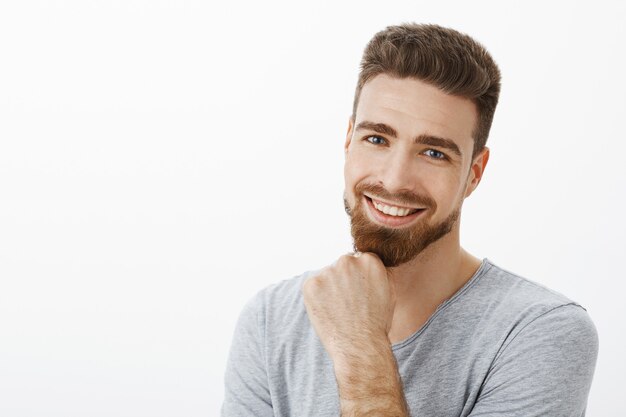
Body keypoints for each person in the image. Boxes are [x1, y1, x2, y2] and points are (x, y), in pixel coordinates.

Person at [221, 23, 598, 416]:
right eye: (377, 139)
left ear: (474, 173)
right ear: (348, 140)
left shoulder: (539, 332)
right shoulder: (270, 319)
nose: (394, 180)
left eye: (434, 152)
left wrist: (360, 345)